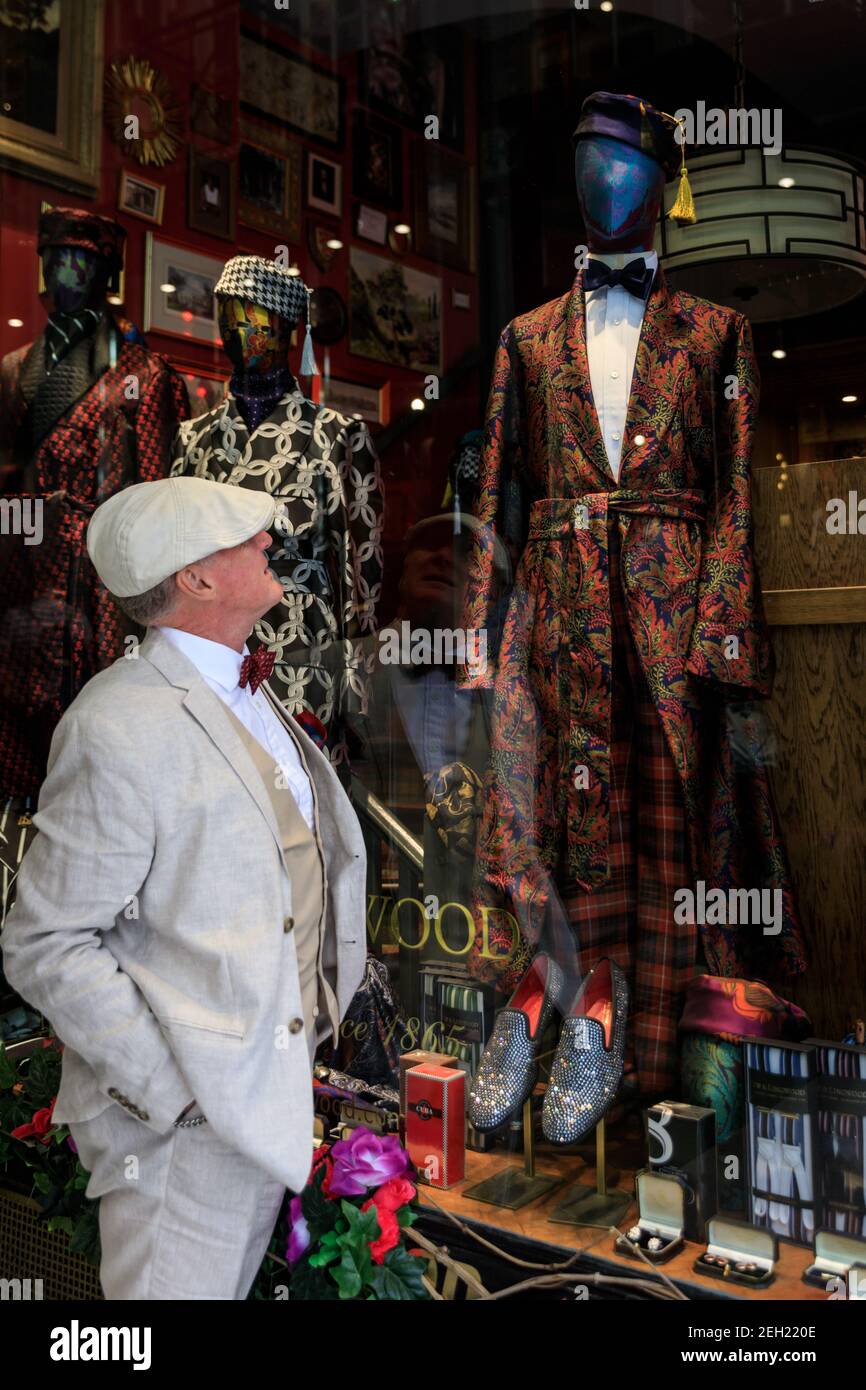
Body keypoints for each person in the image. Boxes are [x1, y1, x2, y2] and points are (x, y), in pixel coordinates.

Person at [2, 475, 367, 1300]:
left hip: (259, 1101)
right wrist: (175, 1093)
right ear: (196, 579)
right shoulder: (116, 723)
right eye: (243, 535)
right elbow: (43, 940)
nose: (269, 542)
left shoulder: (241, 687)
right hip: (178, 1134)